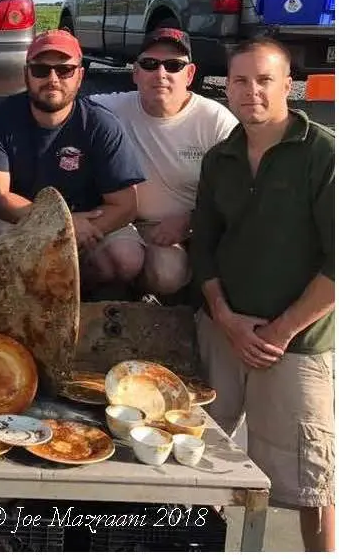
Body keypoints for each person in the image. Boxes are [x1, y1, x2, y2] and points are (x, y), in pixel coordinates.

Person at [190, 38, 334, 552]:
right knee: (196, 458)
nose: (251, 91)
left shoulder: (322, 153)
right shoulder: (220, 158)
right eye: (240, 81)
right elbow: (202, 248)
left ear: (287, 85)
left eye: (264, 80)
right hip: (224, 333)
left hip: (294, 345)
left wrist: (280, 331)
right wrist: (226, 318)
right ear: (225, 86)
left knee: (312, 479)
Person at [0, 29, 145, 293]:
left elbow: (126, 205)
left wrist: (75, 230)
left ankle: (84, 296)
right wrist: (62, 225)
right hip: (25, 221)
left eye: (64, 70)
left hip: (89, 226)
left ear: (80, 75)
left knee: (125, 258)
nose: (52, 79)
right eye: (41, 70)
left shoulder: (101, 124)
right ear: (26, 74)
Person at [90, 28, 239, 297]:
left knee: (167, 274)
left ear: (190, 74)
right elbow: (62, 105)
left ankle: (145, 299)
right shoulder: (109, 108)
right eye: (150, 64)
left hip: (180, 230)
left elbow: (237, 193)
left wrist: (190, 221)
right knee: (122, 259)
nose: (161, 74)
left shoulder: (216, 121)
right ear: (135, 73)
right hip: (122, 222)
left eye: (173, 65)